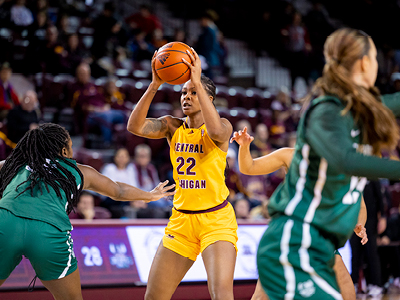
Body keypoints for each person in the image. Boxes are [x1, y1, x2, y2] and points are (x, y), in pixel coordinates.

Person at [255, 28, 400, 300]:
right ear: (365, 63)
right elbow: (347, 161)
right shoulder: (326, 111)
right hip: (294, 241)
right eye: (376, 59)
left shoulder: (356, 109)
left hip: (320, 245)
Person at [0, 123, 175, 299]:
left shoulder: (15, 164)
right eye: (70, 146)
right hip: (48, 229)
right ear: (63, 152)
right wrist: (149, 195)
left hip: (5, 221)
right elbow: (118, 191)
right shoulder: (77, 171)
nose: (72, 149)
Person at [127, 48, 237, 300]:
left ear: (209, 98)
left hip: (215, 221)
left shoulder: (222, 127)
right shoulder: (171, 126)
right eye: (183, 92)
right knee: (153, 297)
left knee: (221, 295)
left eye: (194, 92)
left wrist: (197, 79)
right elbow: (134, 126)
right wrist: (154, 85)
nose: (186, 97)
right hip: (181, 222)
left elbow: (218, 133)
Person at [231, 126, 368, 300]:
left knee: (347, 292)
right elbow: (248, 167)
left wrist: (360, 224)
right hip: (289, 233)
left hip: (320, 237)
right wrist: (244, 147)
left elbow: (360, 205)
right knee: (261, 296)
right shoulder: (290, 155)